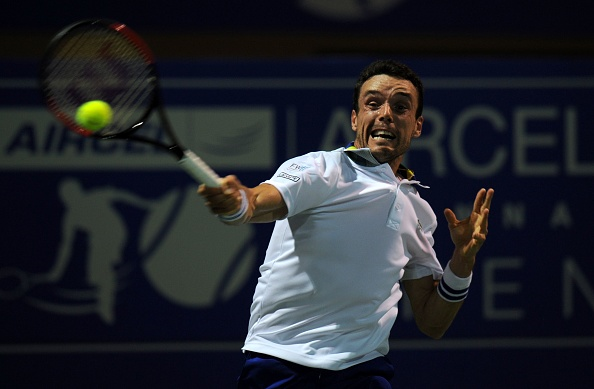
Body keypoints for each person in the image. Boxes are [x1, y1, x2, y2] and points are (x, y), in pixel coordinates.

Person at [198, 59, 494, 388]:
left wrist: (463, 260)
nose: (385, 114)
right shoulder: (320, 169)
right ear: (355, 118)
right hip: (282, 363)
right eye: (372, 103)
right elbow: (259, 203)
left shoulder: (417, 210)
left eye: (400, 106)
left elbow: (432, 321)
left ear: (417, 125)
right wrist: (239, 203)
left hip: (363, 371)